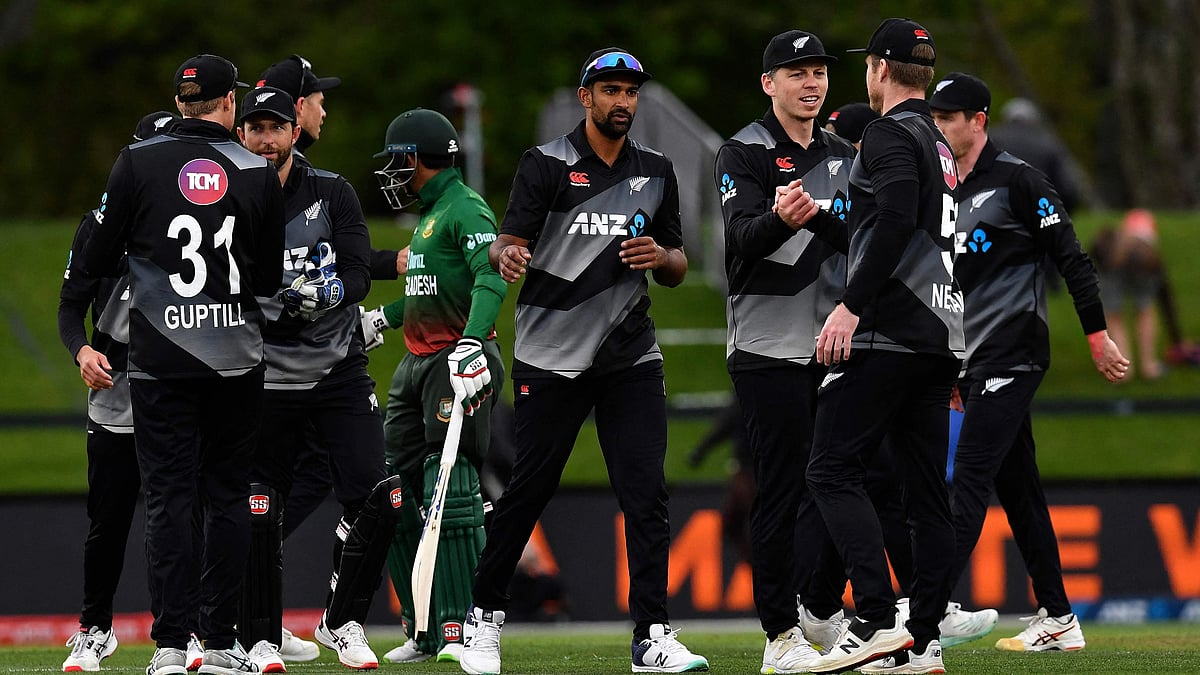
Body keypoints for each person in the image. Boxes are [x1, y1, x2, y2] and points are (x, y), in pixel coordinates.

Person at [459, 47, 708, 675]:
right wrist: (506, 258)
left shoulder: (657, 169)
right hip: (551, 355)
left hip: (630, 355)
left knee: (646, 493)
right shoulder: (545, 164)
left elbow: (678, 264)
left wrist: (661, 257)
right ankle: (483, 618)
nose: (623, 101)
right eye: (611, 90)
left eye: (631, 92)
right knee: (529, 490)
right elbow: (507, 244)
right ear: (585, 96)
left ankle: (653, 633)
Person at [81, 53, 284, 675]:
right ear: (230, 106)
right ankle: (219, 642)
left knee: (168, 500)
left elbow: (99, 252)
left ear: (178, 105)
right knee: (226, 496)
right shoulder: (255, 171)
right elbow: (268, 277)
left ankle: (172, 646)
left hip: (160, 359)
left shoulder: (137, 161)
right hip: (234, 359)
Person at [927, 72, 1127, 657]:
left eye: (947, 119)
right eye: (933, 119)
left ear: (978, 121)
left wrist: (1097, 337)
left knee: (966, 479)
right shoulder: (942, 189)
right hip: (972, 360)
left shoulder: (1020, 180)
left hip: (1014, 352)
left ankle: (922, 616)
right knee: (1020, 491)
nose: (938, 129)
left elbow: (1073, 259)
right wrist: (952, 366)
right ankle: (1060, 618)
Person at [802, 19, 963, 673]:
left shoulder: (890, 133)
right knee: (924, 491)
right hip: (936, 333)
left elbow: (895, 217)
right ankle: (920, 640)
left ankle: (871, 615)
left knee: (831, 467)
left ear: (877, 68)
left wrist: (849, 304)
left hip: (888, 328)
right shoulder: (941, 141)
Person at [235, 85, 398, 671]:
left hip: (336, 369)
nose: (265, 138)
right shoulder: (227, 200)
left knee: (381, 496)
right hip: (265, 374)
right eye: (255, 128)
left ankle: (343, 620)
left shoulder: (332, 191)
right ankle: (256, 635)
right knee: (258, 505)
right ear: (241, 134)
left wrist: (326, 291)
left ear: (293, 131)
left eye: (275, 127)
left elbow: (358, 273)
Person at [714, 29, 855, 673]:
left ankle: (820, 612)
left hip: (834, 344)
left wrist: (817, 219)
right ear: (768, 83)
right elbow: (741, 239)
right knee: (778, 489)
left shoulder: (840, 153)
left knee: (846, 478)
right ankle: (779, 637)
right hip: (767, 347)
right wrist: (783, 219)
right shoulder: (741, 152)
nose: (812, 83)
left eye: (819, 72)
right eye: (796, 72)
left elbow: (862, 237)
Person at [354, 108, 506, 665]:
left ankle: (462, 625)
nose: (392, 172)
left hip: (455, 358)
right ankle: (422, 625)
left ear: (412, 158)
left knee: (458, 493)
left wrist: (470, 342)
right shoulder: (430, 214)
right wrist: (383, 318)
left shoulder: (465, 207)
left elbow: (491, 274)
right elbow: (431, 288)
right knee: (390, 491)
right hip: (416, 360)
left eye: (396, 160)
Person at [57, 110, 207, 674]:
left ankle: (186, 628)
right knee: (110, 518)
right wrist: (81, 351)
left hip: (179, 387)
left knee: (181, 513)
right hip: (117, 390)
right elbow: (71, 304)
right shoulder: (100, 225)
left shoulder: (201, 220)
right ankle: (95, 629)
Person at [1091, 209, 1166, 380]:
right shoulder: (1149, 249)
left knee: (1114, 314)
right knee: (1145, 309)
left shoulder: (1113, 243)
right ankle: (1148, 366)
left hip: (1113, 266)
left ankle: (1122, 371)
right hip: (1138, 266)